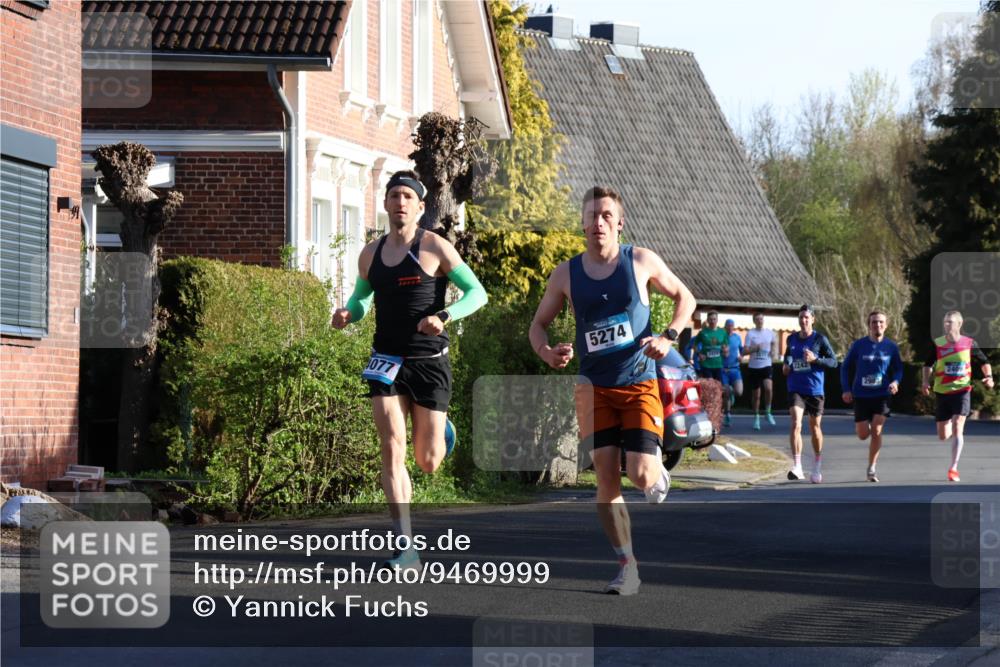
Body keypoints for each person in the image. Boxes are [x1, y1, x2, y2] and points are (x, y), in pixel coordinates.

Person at [530, 186, 696, 596]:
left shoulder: (639, 260)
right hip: (593, 388)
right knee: (606, 479)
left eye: (607, 215)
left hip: (638, 381)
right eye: (592, 215)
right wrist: (548, 352)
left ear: (619, 222)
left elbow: (685, 297)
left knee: (640, 475)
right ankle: (627, 566)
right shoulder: (566, 274)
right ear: (583, 223)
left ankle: (655, 473)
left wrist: (669, 336)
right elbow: (537, 327)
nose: (599, 222)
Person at [332, 170, 487, 569]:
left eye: (408, 197)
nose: (400, 202)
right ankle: (406, 547)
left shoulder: (434, 246)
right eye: (394, 195)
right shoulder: (370, 253)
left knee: (428, 461)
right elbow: (362, 297)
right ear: (385, 203)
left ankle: (439, 429)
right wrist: (350, 312)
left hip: (429, 362)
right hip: (386, 360)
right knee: (390, 448)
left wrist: (445, 315)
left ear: (420, 207)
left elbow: (477, 293)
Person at [921, 310, 994, 482]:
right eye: (945, 322)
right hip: (942, 392)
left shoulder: (969, 343)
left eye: (950, 322)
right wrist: (925, 381)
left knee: (958, 425)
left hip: (962, 391)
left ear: (959, 324)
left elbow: (984, 362)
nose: (947, 325)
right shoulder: (938, 343)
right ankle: (949, 436)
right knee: (943, 435)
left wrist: (989, 377)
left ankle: (953, 468)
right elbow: (927, 365)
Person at [840, 309, 903, 482]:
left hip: (882, 394)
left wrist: (895, 382)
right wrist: (846, 389)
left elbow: (898, 369)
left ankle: (872, 468)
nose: (878, 325)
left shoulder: (891, 347)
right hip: (861, 394)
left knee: (876, 429)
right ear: (869, 326)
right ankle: (864, 433)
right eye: (874, 322)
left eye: (881, 322)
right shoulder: (859, 345)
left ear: (886, 325)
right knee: (862, 435)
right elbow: (845, 367)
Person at [782, 305, 837, 483]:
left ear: (813, 319)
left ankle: (817, 464)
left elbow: (834, 362)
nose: (803, 320)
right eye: (801, 317)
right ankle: (797, 466)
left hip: (814, 389)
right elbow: (788, 356)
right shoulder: (791, 338)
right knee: (796, 423)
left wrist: (816, 360)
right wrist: (786, 365)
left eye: (806, 317)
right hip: (795, 387)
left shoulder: (820, 339)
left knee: (815, 428)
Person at [744, 312, 778, 430]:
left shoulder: (769, 333)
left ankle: (768, 412)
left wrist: (773, 352)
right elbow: (744, 351)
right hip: (754, 367)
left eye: (761, 319)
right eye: (757, 319)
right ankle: (756, 417)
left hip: (766, 365)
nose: (760, 321)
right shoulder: (750, 334)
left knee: (768, 388)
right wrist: (754, 349)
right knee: (756, 395)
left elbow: (774, 343)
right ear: (754, 321)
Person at [691, 311, 728, 382]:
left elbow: (726, 346)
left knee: (718, 386)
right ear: (707, 320)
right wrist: (699, 354)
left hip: (718, 364)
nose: (712, 321)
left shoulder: (722, 332)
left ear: (717, 320)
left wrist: (725, 350)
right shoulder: (702, 332)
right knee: (709, 386)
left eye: (714, 319)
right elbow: (694, 345)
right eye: (710, 319)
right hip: (706, 364)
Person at [720, 318, 744, 427]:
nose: (730, 327)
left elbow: (742, 350)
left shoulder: (737, 338)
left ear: (733, 327)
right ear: (725, 327)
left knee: (739, 391)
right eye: (728, 325)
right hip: (723, 369)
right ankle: (728, 415)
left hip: (735, 369)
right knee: (726, 392)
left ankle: (732, 396)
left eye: (731, 325)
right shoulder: (720, 338)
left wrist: (741, 357)